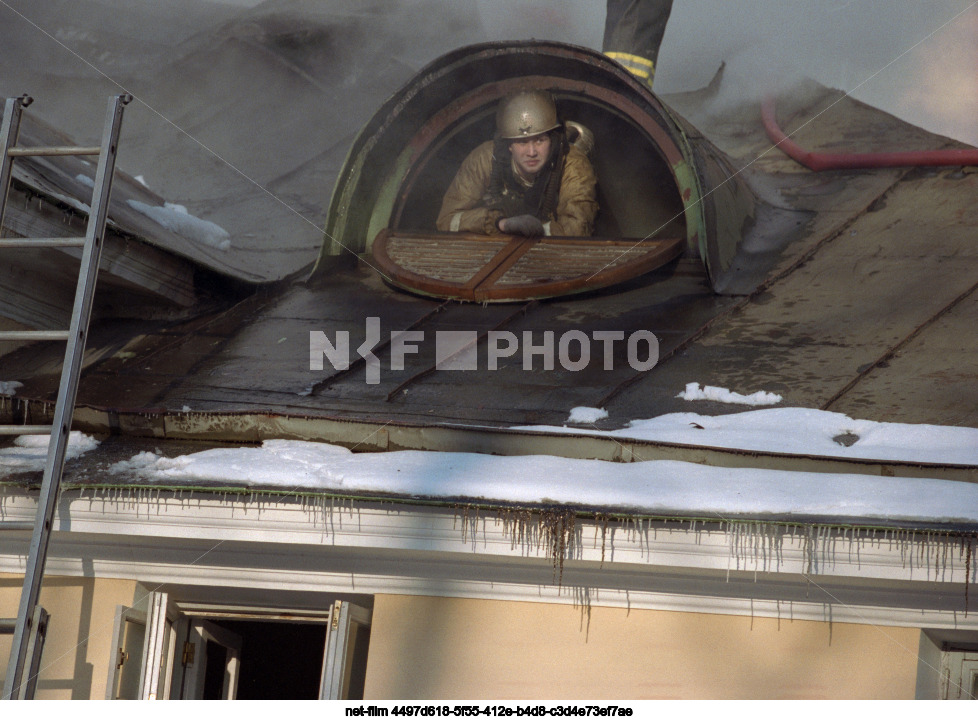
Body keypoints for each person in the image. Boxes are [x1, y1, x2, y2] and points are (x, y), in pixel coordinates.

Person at [436, 90, 598, 238]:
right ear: (509, 145)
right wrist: (500, 224)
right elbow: (446, 220)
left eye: (540, 140)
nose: (532, 152)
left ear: (552, 140)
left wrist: (538, 230)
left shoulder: (573, 164)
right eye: (522, 142)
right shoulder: (483, 160)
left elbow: (577, 230)